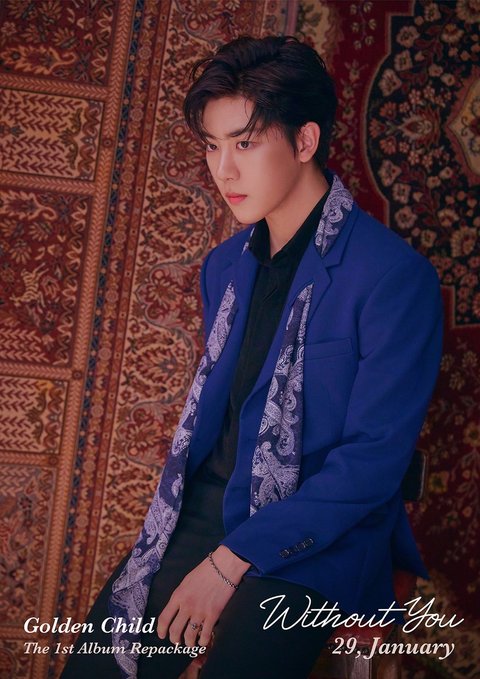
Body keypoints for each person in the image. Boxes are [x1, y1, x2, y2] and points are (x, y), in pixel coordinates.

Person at [61, 35, 443, 679]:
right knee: (97, 669)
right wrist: (206, 548)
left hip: (321, 537)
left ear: (304, 140)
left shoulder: (393, 278)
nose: (224, 170)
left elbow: (373, 463)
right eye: (212, 146)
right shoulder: (223, 268)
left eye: (244, 144)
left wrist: (231, 561)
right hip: (207, 509)